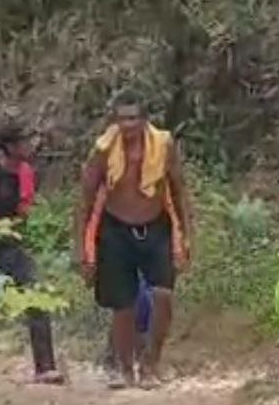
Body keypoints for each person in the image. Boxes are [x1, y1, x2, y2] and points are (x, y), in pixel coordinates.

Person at [75, 89, 193, 389]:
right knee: (123, 305)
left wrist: (187, 235)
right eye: (121, 119)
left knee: (163, 296)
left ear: (144, 120)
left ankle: (151, 363)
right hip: (116, 229)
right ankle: (124, 368)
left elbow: (179, 190)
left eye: (133, 119)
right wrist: (82, 249)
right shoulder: (103, 150)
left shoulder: (163, 145)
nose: (127, 126)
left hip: (156, 226)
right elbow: (85, 199)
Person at [0, 122, 65, 384]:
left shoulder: (25, 172)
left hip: (11, 244)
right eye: (23, 141)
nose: (29, 146)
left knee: (36, 294)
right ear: (9, 147)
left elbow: (24, 210)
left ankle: (45, 366)